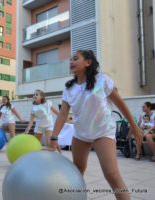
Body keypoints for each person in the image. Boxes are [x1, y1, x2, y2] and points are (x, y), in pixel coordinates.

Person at [50, 50, 142, 200]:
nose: (71, 62)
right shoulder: (68, 88)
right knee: (77, 172)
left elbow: (121, 104)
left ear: (88, 62)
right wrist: (54, 138)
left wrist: (134, 125)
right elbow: (62, 115)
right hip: (80, 134)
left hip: (103, 132)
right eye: (70, 59)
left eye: (75, 58)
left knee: (111, 174)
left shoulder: (102, 80)